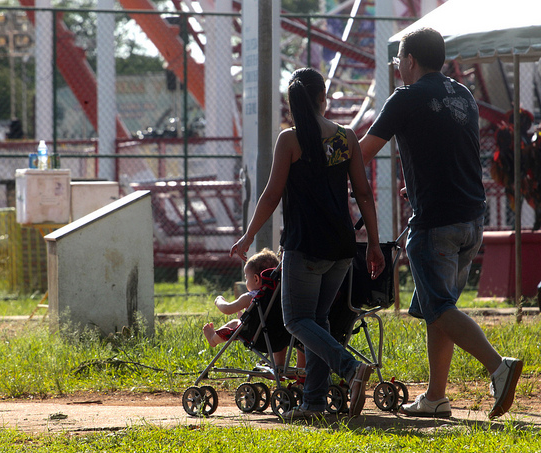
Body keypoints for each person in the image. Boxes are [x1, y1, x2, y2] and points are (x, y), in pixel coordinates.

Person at [359, 27, 523, 419]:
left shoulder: (405, 98)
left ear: (410, 60)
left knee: (440, 307)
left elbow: (363, 150)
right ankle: (435, 397)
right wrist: (417, 184)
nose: (397, 66)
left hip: (435, 223)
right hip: (471, 218)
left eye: (399, 58)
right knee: (438, 307)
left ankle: (499, 367)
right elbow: (451, 149)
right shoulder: (463, 95)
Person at [230, 67, 385, 421]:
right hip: (343, 249)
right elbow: (363, 192)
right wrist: (373, 243)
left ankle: (348, 368)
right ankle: (312, 403)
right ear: (322, 97)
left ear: (293, 101)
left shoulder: (290, 140)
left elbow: (271, 195)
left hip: (305, 247)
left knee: (296, 321)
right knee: (318, 322)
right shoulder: (346, 138)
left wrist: (249, 234)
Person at [203, 248, 306, 370]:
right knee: (278, 331)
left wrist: (219, 300)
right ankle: (291, 369)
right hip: (285, 336)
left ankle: (213, 339)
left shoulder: (252, 296)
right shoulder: (284, 295)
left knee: (235, 324)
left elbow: (227, 309)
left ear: (256, 279)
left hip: (260, 338)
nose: (246, 281)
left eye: (246, 278)